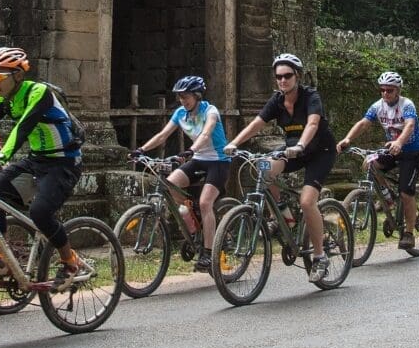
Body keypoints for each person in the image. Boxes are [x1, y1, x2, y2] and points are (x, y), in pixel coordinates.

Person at [0, 47, 89, 291]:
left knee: (40, 213)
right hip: (36, 160)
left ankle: (69, 260)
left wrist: (0, 156)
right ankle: (3, 260)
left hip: (63, 162)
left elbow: (23, 128)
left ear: (18, 75)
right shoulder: (1, 100)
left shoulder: (38, 92)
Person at [224, 53, 338, 283]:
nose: (283, 81)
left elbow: (313, 123)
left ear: (297, 76)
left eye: (287, 76)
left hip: (319, 152)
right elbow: (257, 123)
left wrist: (302, 144)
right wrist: (234, 143)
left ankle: (319, 256)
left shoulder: (310, 97)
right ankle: (285, 216)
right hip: (292, 150)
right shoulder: (277, 100)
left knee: (307, 202)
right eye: (278, 77)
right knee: (262, 168)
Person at [133, 75, 230, 273]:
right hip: (198, 158)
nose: (183, 100)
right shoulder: (179, 113)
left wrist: (191, 150)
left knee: (205, 203)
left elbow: (206, 133)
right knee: (169, 184)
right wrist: (141, 150)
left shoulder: (210, 111)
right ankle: (195, 218)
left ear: (196, 96)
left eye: (186, 96)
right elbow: (162, 135)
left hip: (218, 161)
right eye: (180, 97)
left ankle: (208, 252)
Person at [337, 71, 419, 251]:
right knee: (369, 164)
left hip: (411, 151)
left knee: (406, 193)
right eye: (383, 90)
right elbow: (363, 123)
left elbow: (410, 125)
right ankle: (388, 199)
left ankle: (408, 233)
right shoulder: (378, 106)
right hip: (391, 149)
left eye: (390, 90)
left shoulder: (407, 104)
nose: (385, 93)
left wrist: (400, 142)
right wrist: (347, 139)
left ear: (398, 90)